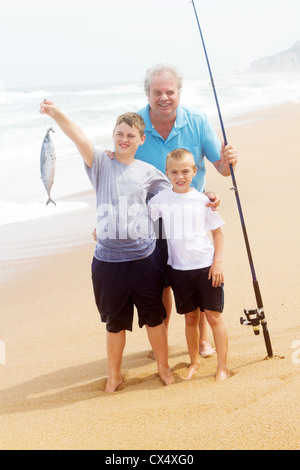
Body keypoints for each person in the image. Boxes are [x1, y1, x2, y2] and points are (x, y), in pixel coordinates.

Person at [40, 100, 176, 392]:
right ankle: (114, 375)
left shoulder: (149, 172)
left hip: (143, 259)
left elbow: (172, 201)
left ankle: (163, 367)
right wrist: (57, 113)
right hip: (107, 262)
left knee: (154, 318)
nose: (124, 139)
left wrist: (209, 199)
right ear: (113, 135)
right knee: (115, 323)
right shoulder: (101, 163)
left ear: (141, 139)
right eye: (119, 133)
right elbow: (78, 137)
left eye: (130, 135)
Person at [106, 64, 237, 356]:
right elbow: (120, 167)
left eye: (170, 91)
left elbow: (223, 169)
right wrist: (108, 158)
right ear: (147, 94)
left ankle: (202, 340)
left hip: (192, 210)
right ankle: (161, 341)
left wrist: (229, 161)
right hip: (153, 216)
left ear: (178, 92)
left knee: (195, 270)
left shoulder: (198, 121)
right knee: (160, 279)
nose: (163, 97)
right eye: (157, 92)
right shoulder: (136, 123)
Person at [149, 149, 232, 381]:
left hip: (206, 267)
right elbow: (151, 226)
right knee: (190, 319)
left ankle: (223, 365)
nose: (180, 176)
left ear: (195, 172)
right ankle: (194, 361)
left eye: (185, 171)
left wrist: (217, 263)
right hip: (178, 270)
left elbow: (218, 234)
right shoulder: (160, 200)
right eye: (174, 172)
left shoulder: (204, 201)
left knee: (214, 316)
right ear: (167, 173)